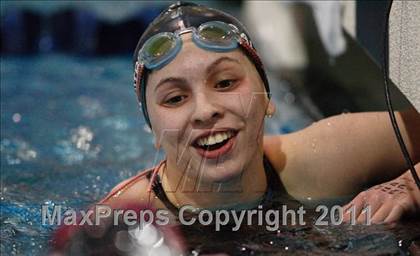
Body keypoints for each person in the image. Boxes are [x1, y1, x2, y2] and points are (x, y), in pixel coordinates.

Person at [99, 1, 419, 225]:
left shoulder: (322, 157)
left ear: (267, 97)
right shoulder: (124, 219)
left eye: (225, 82)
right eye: (175, 98)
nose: (205, 111)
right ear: (153, 129)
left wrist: (408, 185)